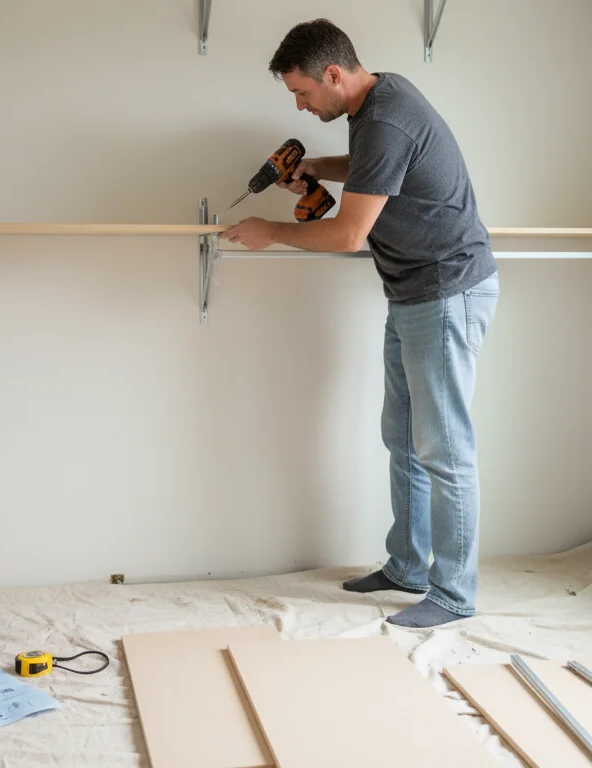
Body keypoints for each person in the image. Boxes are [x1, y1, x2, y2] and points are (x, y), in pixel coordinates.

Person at [221, 19, 499, 629]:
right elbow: (374, 164)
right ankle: (407, 566)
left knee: (445, 448)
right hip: (412, 293)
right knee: (401, 436)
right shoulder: (375, 108)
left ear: (334, 74)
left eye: (301, 92)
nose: (297, 104)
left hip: (448, 292)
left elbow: (348, 233)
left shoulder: (389, 115)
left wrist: (272, 233)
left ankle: (453, 594)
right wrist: (316, 167)